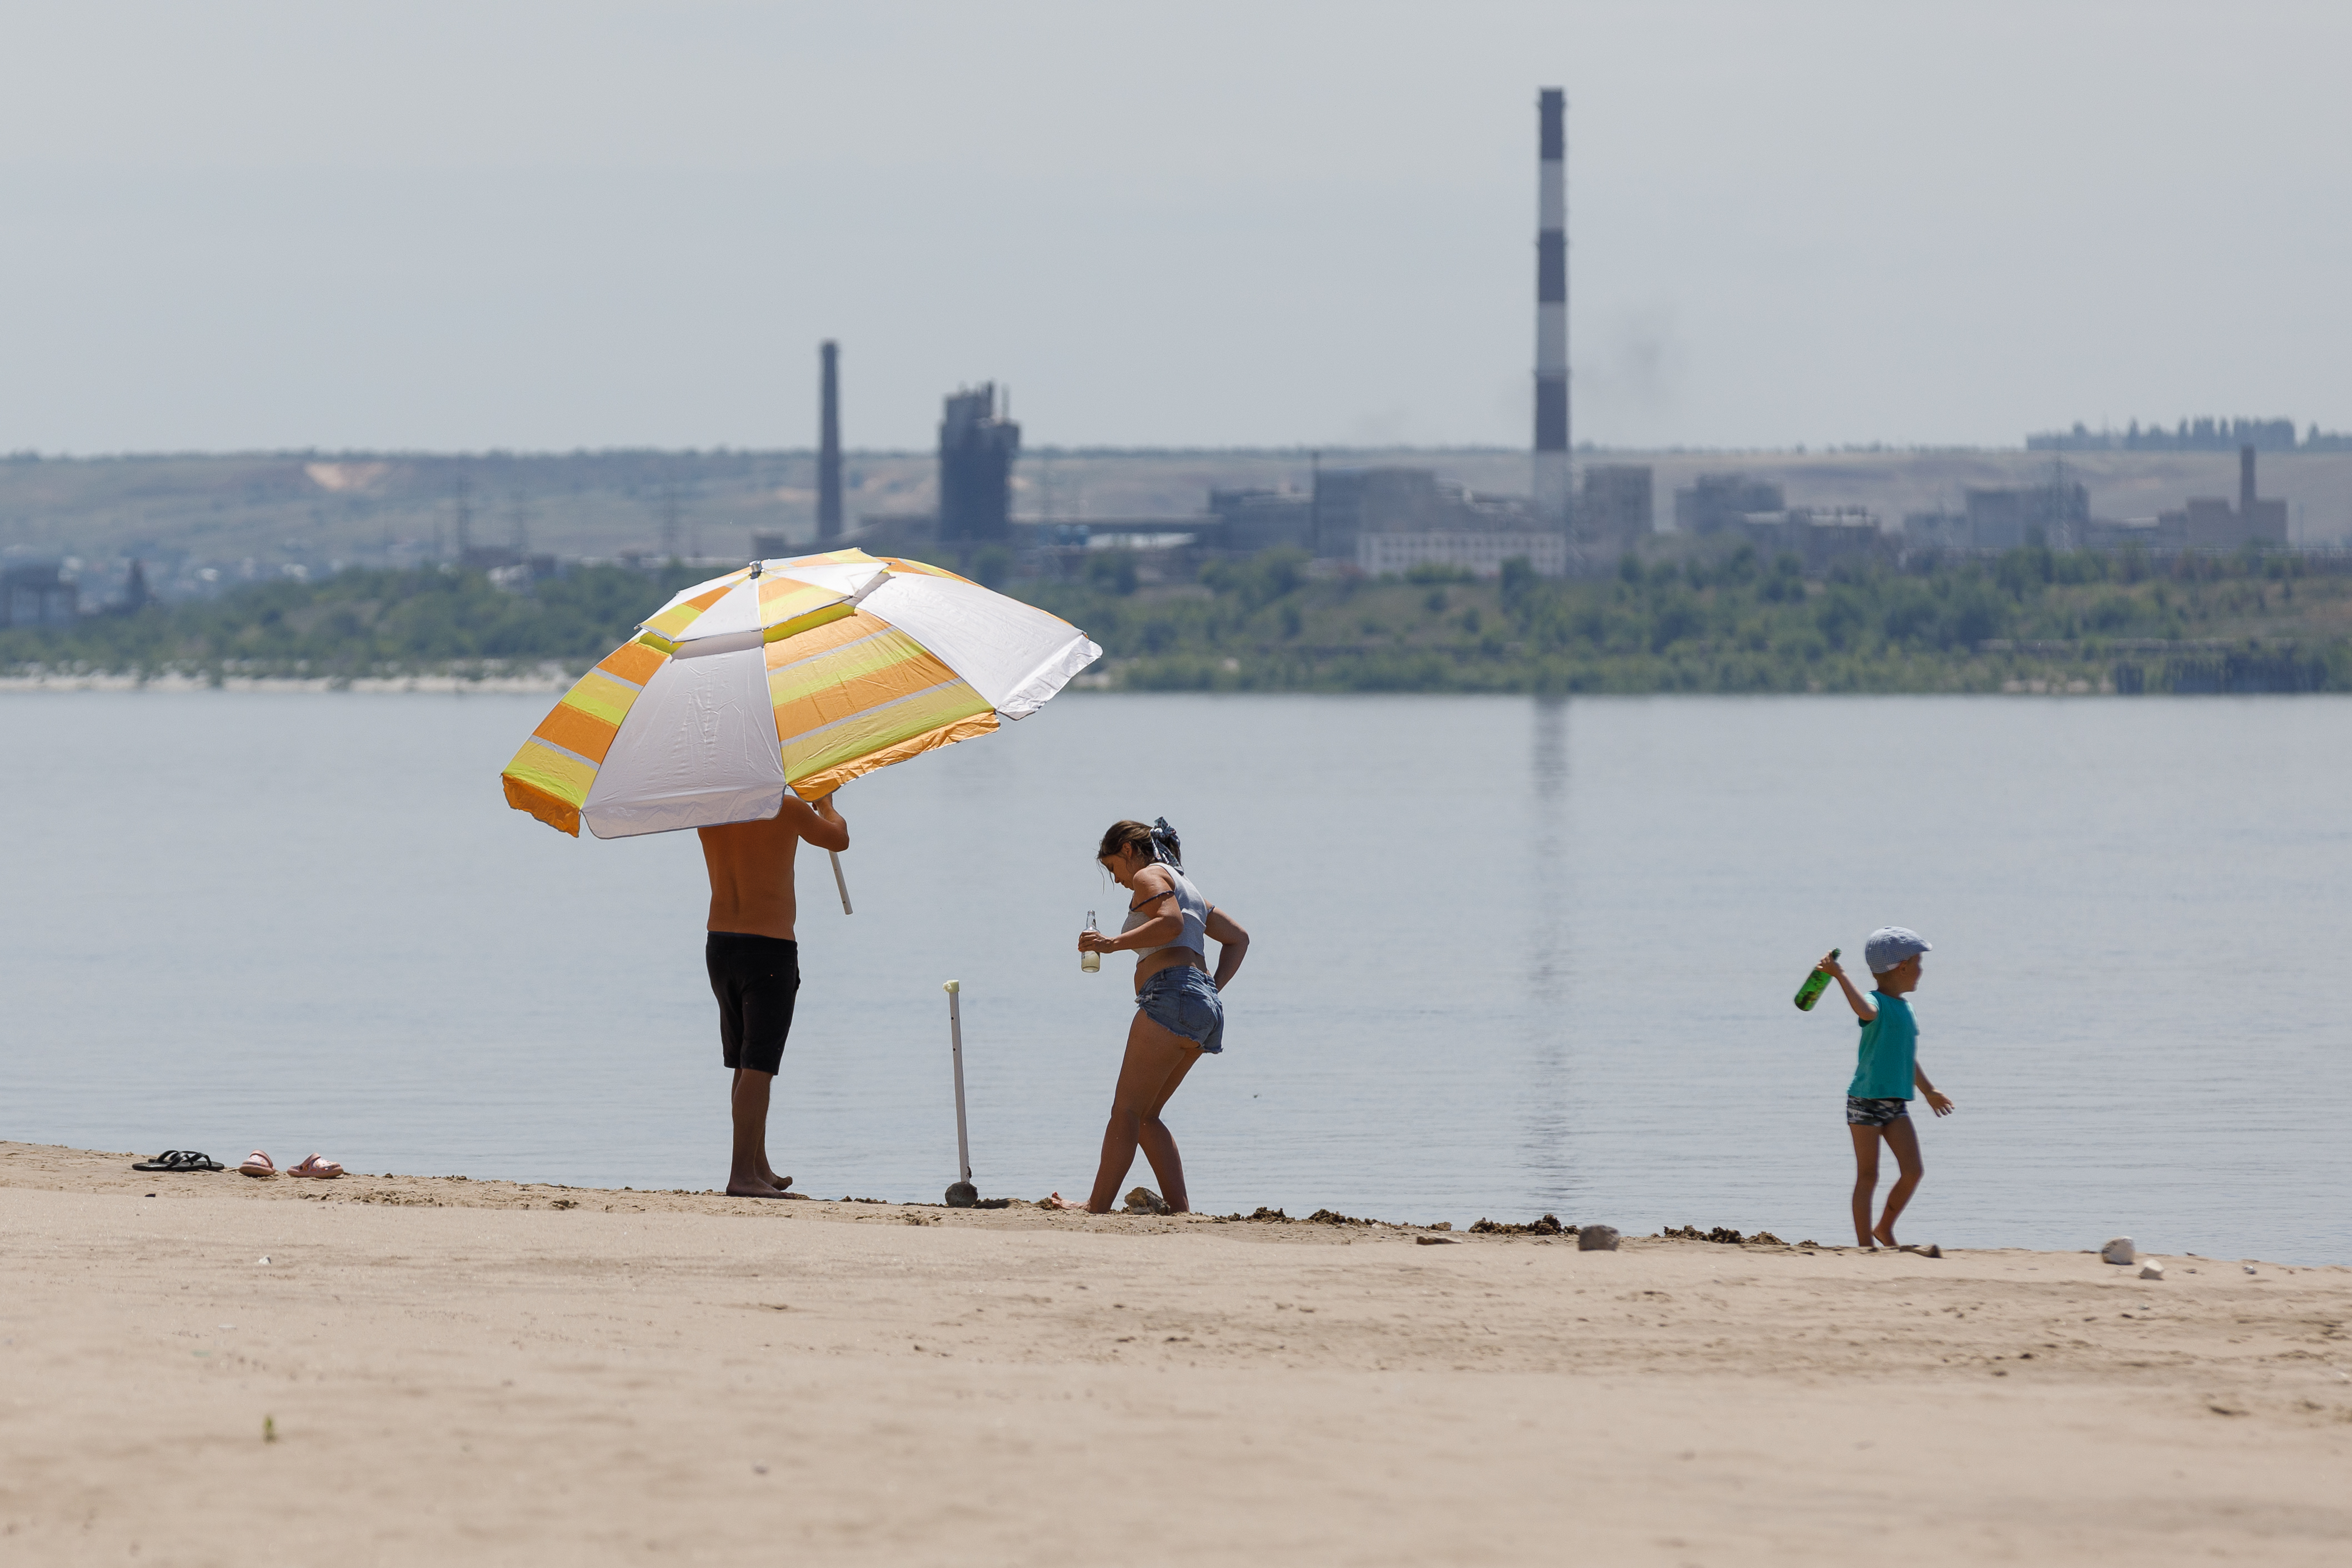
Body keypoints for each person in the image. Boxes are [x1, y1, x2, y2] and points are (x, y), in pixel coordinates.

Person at [1049, 818, 1249, 1215]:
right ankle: (1181, 1210)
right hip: (1202, 1007)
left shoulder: (1148, 874)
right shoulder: (1186, 885)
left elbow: (1170, 923)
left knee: (1125, 1111)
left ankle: (1096, 1206)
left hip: (1171, 996)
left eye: (1112, 867)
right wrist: (1206, 989)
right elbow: (1238, 938)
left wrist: (1111, 943)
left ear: (1126, 849)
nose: (1118, 879)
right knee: (1147, 1117)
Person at [698, 790, 849, 1199]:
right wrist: (827, 803)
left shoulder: (710, 808)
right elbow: (838, 838)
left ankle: (757, 1165)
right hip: (767, 947)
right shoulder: (785, 808)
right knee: (759, 1064)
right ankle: (741, 1175)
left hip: (720, 944)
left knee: (743, 1063)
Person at [1813, 926, 1955, 1250]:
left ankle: (1884, 1228)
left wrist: (1929, 1090)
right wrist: (1839, 975)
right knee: (1868, 1177)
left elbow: (1907, 1056)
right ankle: (1866, 1246)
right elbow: (1865, 1011)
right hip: (1864, 1101)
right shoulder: (1874, 1002)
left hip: (1896, 1104)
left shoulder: (1908, 1009)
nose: (1922, 970)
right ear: (1902, 967)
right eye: (1918, 963)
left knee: (1913, 1171)